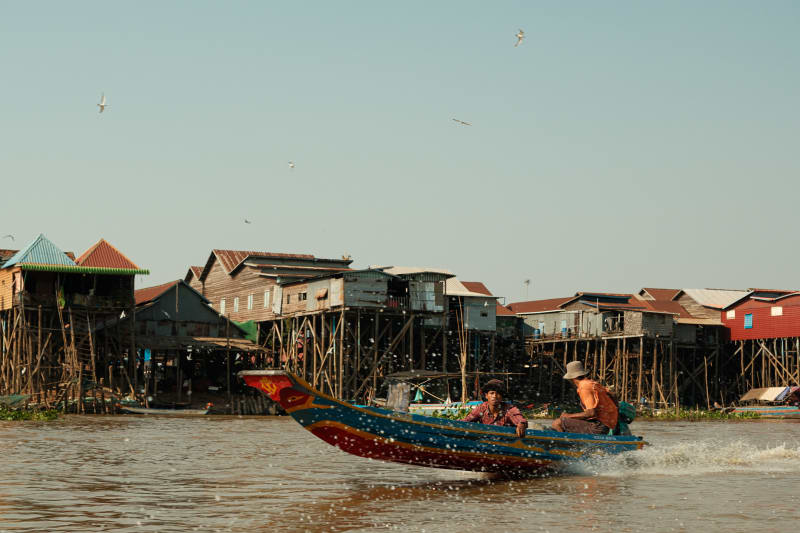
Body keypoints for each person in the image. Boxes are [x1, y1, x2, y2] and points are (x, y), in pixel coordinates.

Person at [552, 361, 618, 435]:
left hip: (598, 427)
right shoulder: (592, 383)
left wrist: (568, 416)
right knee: (565, 422)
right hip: (604, 425)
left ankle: (566, 445)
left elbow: (591, 413)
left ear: (572, 378)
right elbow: (613, 395)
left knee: (557, 423)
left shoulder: (584, 387)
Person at [463, 379, 528, 438]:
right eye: (492, 393)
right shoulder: (481, 409)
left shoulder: (509, 409)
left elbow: (519, 418)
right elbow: (466, 421)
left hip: (506, 442)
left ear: (502, 397)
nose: (494, 396)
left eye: (498, 394)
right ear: (486, 395)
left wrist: (521, 424)